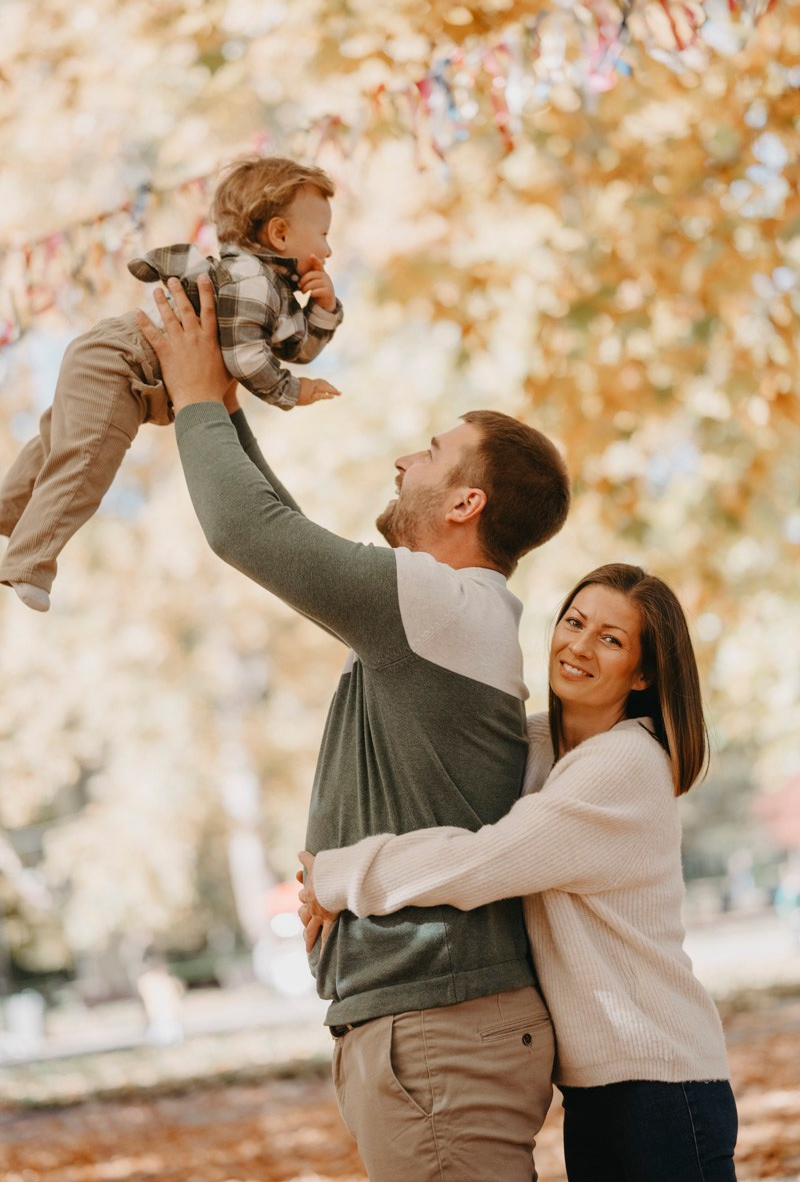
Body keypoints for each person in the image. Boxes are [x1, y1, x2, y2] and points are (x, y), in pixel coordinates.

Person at [136, 274, 571, 1182]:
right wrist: (216, 403)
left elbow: (248, 533)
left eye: (432, 452)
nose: (404, 461)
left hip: (440, 1038)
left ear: (466, 504)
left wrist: (193, 402)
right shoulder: (446, 612)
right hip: (431, 1033)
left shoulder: (444, 603)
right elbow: (280, 526)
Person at [300, 563, 739, 1182]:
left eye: (610, 639)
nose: (580, 646)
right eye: (574, 622)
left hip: (662, 1082)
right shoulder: (549, 749)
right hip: (602, 1087)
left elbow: (485, 860)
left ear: (642, 673)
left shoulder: (626, 765)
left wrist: (341, 877)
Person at [0, 155, 342, 612]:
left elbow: (295, 345)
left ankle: (8, 511)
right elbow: (246, 357)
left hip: (112, 360)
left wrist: (323, 306)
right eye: (323, 234)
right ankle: (28, 564)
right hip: (121, 365)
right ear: (279, 233)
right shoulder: (252, 281)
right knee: (85, 461)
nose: (329, 250)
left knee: (55, 446)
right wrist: (291, 390)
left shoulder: (269, 288)